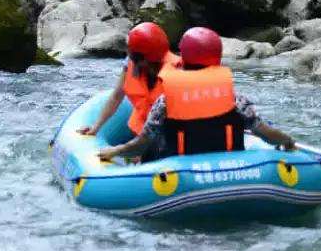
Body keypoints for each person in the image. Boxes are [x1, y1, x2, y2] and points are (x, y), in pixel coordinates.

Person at [98, 27, 296, 162]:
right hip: (231, 169)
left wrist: (115, 151)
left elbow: (142, 144)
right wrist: (286, 140)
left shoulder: (165, 102)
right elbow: (265, 133)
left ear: (183, 60)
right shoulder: (235, 100)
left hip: (179, 172)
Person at [77, 23, 182, 145]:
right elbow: (116, 97)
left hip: (168, 135)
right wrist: (96, 128)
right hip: (142, 131)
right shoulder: (130, 64)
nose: (131, 58)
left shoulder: (178, 71)